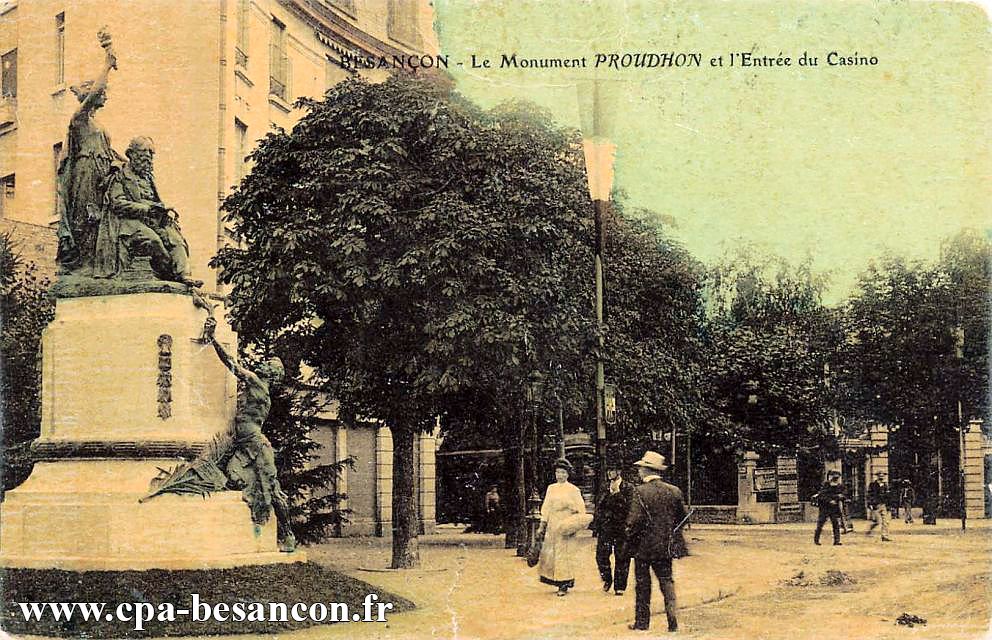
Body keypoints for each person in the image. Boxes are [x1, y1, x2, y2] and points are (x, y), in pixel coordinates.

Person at [202, 316, 296, 552]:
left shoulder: (255, 381)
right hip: (246, 442)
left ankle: (288, 535)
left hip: (254, 443)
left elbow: (231, 364)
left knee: (272, 489)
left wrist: (213, 340)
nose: (261, 363)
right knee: (236, 476)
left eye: (266, 363)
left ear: (270, 373)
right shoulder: (262, 390)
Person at [56, 29, 123, 274]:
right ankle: (80, 266)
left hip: (102, 175)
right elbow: (96, 91)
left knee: (101, 219)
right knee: (87, 217)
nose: (104, 93)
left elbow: (111, 151)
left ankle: (96, 265)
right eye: (97, 90)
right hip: (86, 174)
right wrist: (107, 64)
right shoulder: (79, 119)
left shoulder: (98, 125)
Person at [93, 137, 200, 286]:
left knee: (176, 239)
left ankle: (183, 275)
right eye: (144, 152)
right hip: (129, 223)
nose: (148, 157)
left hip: (153, 221)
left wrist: (164, 210)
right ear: (131, 154)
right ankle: (168, 273)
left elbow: (155, 201)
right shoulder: (120, 176)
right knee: (153, 240)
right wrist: (146, 209)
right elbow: (117, 203)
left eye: (151, 153)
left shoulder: (149, 178)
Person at [625, 451, 687, 633]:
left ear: (646, 470)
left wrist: (629, 537)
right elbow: (682, 518)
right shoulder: (674, 491)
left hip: (643, 547)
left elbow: (633, 520)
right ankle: (673, 620)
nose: (638, 472)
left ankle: (642, 623)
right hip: (665, 546)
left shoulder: (639, 491)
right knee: (667, 581)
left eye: (640, 468)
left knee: (643, 585)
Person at [536, 458, 591, 597]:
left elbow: (581, 510)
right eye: (557, 473)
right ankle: (554, 580)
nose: (560, 475)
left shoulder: (573, 489)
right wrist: (542, 525)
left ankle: (564, 584)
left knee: (564, 554)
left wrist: (571, 510)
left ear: (567, 474)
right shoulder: (551, 488)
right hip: (553, 524)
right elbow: (546, 507)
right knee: (552, 554)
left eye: (562, 473)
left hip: (566, 523)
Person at [591, 466, 632, 595]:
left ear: (619, 472)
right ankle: (607, 578)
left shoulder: (628, 487)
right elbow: (599, 507)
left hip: (621, 528)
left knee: (622, 556)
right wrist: (596, 526)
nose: (609, 473)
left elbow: (630, 507)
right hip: (606, 528)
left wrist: (617, 494)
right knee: (601, 556)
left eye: (612, 471)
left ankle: (620, 586)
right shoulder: (604, 487)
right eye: (608, 470)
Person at [812, 470, 845, 546]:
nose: (836, 477)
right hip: (825, 508)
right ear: (831, 476)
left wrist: (841, 497)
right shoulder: (826, 485)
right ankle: (816, 540)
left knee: (835, 524)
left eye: (837, 476)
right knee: (820, 524)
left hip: (834, 508)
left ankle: (837, 540)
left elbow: (843, 495)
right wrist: (830, 500)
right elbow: (822, 495)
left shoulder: (840, 486)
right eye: (834, 475)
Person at [866, 471, 892, 541]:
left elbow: (888, 496)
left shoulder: (886, 485)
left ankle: (884, 536)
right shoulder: (872, 485)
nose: (882, 477)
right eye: (880, 476)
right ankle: (870, 529)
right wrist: (870, 504)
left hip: (884, 505)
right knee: (878, 521)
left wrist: (889, 505)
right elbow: (869, 495)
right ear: (877, 476)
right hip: (876, 505)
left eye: (883, 476)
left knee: (885, 521)